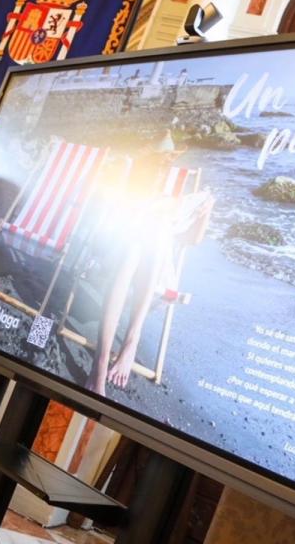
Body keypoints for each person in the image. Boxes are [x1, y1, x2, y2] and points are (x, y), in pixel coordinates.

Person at [86, 130, 213, 395]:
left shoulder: (177, 197)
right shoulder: (127, 185)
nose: (162, 164)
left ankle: (125, 346)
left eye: (166, 159)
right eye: (158, 158)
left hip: (155, 271)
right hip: (113, 262)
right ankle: (105, 359)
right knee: (134, 247)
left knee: (152, 242)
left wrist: (204, 213)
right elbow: (105, 232)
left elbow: (191, 240)